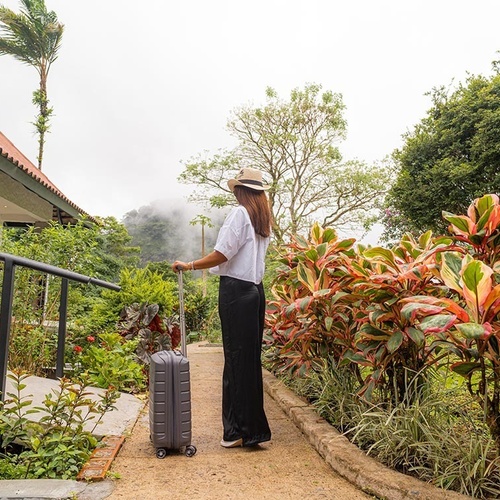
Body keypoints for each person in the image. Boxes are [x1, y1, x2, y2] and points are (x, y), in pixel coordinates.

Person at [172, 167, 272, 448]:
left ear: (241, 191)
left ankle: (236, 432)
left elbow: (222, 254)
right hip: (255, 291)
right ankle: (253, 431)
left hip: (236, 292)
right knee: (249, 361)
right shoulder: (262, 218)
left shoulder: (240, 214)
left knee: (236, 361)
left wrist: (189, 265)